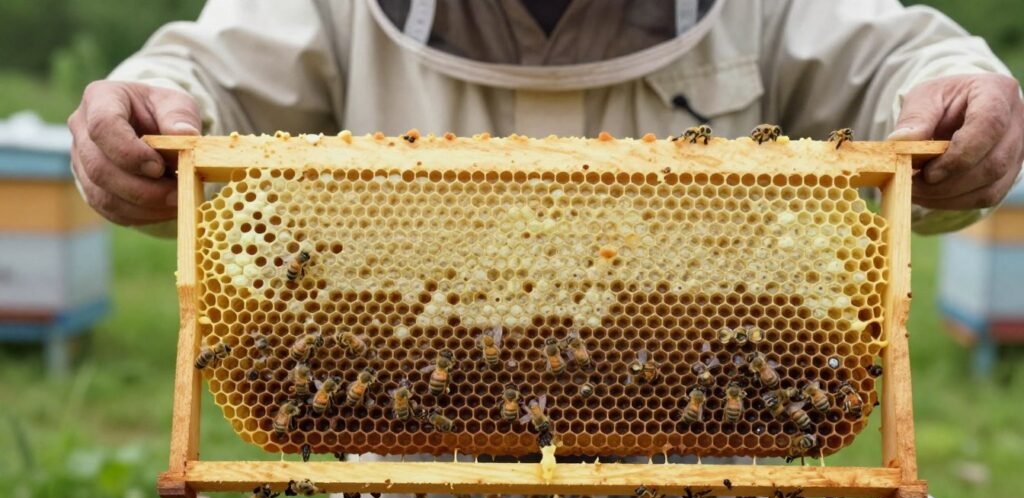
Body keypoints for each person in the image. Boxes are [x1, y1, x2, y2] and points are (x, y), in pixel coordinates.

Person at [69, 0, 1022, 236]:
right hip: (400, 477)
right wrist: (144, 109)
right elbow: (208, 73)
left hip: (707, 475)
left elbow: (894, 59)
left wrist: (960, 93)